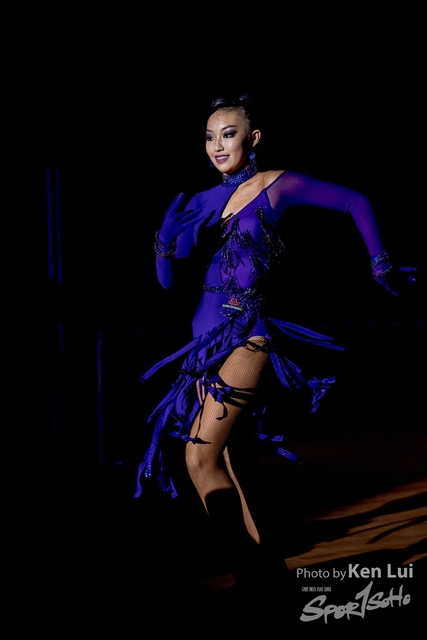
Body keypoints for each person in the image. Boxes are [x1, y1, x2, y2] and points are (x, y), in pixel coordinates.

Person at [134, 93, 415, 595]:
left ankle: (249, 579)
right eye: (209, 137)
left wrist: (379, 263)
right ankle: (272, 579)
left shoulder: (275, 186)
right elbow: (166, 282)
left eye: (228, 134)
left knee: (198, 459)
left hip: (248, 333)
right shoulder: (199, 201)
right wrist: (163, 241)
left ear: (253, 137)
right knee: (236, 462)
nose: (217, 145)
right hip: (201, 345)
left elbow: (355, 200)